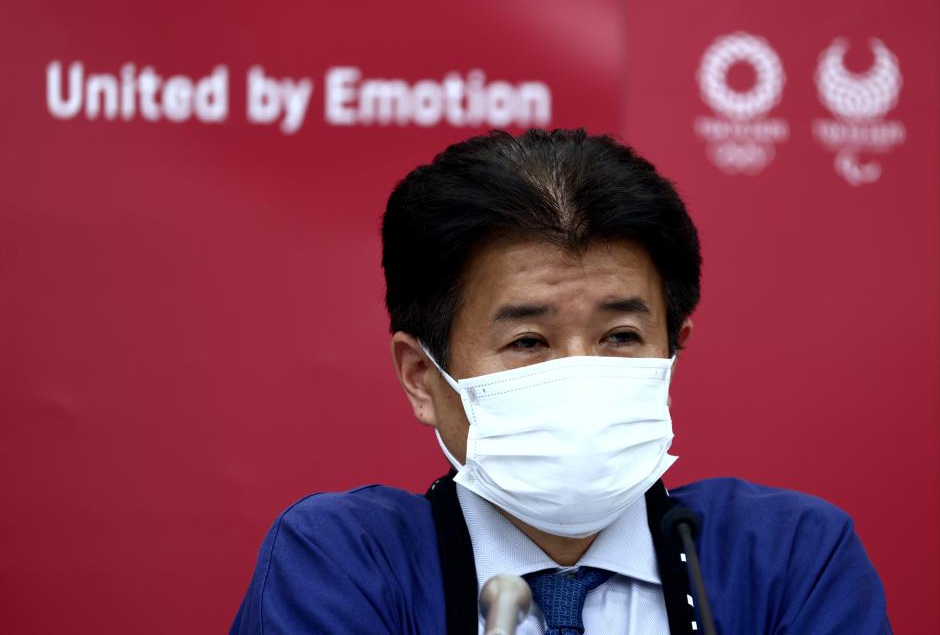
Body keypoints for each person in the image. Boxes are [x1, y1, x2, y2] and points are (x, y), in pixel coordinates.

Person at [229, 129, 891, 634]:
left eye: (621, 338)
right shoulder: (346, 564)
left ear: (672, 353)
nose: (580, 370)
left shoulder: (788, 559)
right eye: (528, 342)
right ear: (422, 376)